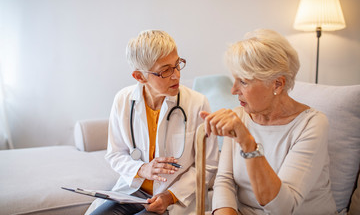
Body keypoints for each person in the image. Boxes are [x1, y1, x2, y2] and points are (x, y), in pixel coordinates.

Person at [200, 29, 337, 215]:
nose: (233, 90)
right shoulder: (239, 116)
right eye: (235, 80)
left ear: (277, 84)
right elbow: (225, 180)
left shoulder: (312, 124)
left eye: (243, 82)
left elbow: (283, 208)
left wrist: (248, 143)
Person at [87, 30, 219, 215]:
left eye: (177, 65)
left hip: (173, 196)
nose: (176, 76)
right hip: (132, 191)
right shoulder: (123, 100)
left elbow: (209, 164)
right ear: (140, 77)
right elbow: (115, 154)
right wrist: (142, 169)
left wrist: (170, 196)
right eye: (165, 70)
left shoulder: (197, 103)